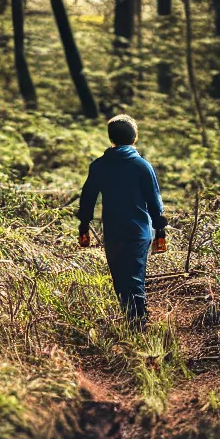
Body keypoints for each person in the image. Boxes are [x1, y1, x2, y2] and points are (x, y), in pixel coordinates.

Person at [77, 114, 166, 325]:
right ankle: (138, 323)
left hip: (114, 231)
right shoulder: (143, 166)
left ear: (111, 139)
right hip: (138, 232)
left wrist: (83, 227)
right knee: (135, 276)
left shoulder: (99, 166)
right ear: (135, 137)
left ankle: (135, 323)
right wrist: (160, 231)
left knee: (120, 279)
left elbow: (87, 199)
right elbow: (154, 202)